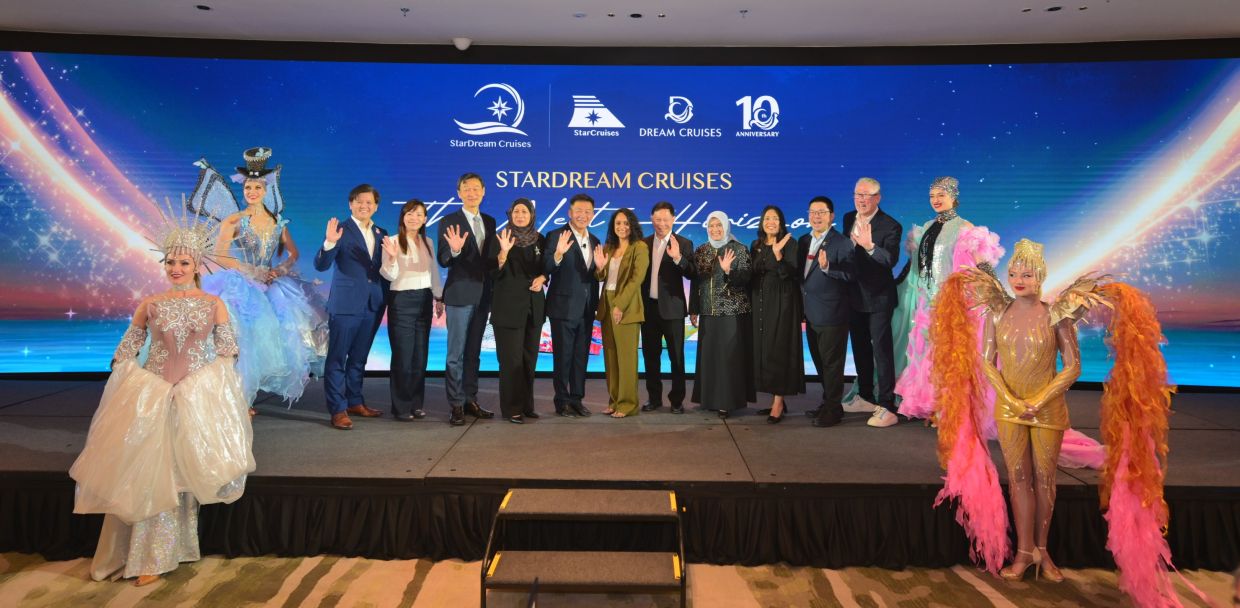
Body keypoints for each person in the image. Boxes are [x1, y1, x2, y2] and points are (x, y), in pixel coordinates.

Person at [932, 240, 1188, 608]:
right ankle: (1023, 552)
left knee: (1044, 478)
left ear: (1041, 276)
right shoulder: (997, 313)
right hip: (1009, 409)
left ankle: (1042, 550)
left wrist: (1039, 400)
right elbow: (987, 361)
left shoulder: (1056, 315)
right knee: (1018, 477)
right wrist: (1009, 399)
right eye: (1014, 273)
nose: (1019, 279)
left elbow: (1072, 366)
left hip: (1048, 410)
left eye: (1027, 274)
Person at [70, 211, 254, 587]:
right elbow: (128, 347)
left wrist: (201, 387)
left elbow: (228, 351)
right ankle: (142, 555)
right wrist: (127, 374)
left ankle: (165, 552)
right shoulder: (150, 303)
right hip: (152, 397)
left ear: (197, 265)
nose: (176, 268)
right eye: (170, 262)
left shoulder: (213, 303)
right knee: (147, 473)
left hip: (193, 398)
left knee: (178, 474)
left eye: (183, 262)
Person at [196, 148, 328, 414]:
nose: (252, 192)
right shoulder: (235, 220)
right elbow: (219, 255)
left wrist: (279, 270)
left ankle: (248, 393)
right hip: (242, 287)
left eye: (257, 187)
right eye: (248, 187)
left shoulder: (277, 221)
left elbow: (294, 254)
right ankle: (239, 399)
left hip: (272, 287)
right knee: (244, 340)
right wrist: (250, 270)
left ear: (266, 190)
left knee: (268, 342)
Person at [870, 176, 1003, 428]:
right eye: (932, 196)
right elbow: (913, 267)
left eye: (941, 195)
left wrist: (999, 292)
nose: (936, 200)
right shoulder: (927, 227)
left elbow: (982, 263)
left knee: (951, 355)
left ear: (953, 197)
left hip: (953, 303)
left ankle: (951, 408)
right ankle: (935, 407)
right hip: (926, 305)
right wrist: (894, 286)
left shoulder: (965, 227)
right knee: (928, 356)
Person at [314, 184, 389, 430]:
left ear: (376, 206)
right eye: (359, 201)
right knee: (337, 358)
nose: (364, 206)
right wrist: (329, 242)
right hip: (346, 304)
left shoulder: (381, 233)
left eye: (369, 202)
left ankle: (355, 401)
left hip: (373, 303)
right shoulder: (340, 230)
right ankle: (338, 409)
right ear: (351, 204)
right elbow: (321, 265)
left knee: (359, 357)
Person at [437, 173, 497, 426]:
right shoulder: (449, 220)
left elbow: (490, 261)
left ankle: (470, 399)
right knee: (456, 354)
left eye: (476, 188)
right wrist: (455, 249)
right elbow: (443, 259)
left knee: (473, 353)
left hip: (483, 296)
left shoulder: (490, 221)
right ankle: (456, 404)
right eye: (466, 189)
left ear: (483, 191)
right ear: (459, 193)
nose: (472, 193)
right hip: (460, 294)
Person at [840, 177, 902, 418]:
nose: (861, 199)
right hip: (853, 295)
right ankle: (865, 396)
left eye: (866, 195)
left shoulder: (891, 225)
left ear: (878, 198)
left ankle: (886, 404)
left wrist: (870, 247)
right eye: (857, 194)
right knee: (860, 349)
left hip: (878, 298)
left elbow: (890, 260)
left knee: (882, 352)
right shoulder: (848, 218)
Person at [380, 199, 444, 421]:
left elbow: (433, 272)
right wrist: (391, 257)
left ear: (425, 219)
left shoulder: (428, 242)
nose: (414, 218)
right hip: (402, 300)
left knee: (420, 356)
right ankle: (401, 407)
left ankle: (416, 404)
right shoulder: (392, 241)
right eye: (410, 213)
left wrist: (438, 297)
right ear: (403, 217)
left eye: (419, 214)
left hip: (424, 299)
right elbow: (388, 275)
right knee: (403, 356)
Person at [689, 211, 754, 418]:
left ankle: (727, 402)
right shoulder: (702, 250)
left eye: (719, 225)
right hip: (708, 311)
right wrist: (693, 308)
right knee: (710, 358)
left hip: (732, 312)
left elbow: (746, 279)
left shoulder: (739, 249)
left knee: (728, 358)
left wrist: (728, 271)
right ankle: (709, 400)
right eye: (711, 225)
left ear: (726, 226)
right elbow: (696, 281)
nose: (715, 229)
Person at [543, 193, 601, 417]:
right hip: (563, 308)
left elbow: (594, 275)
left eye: (587, 212)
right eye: (578, 211)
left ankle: (577, 399)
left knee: (580, 357)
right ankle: (562, 401)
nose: (582, 215)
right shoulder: (555, 235)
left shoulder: (595, 240)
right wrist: (558, 254)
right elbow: (546, 267)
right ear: (570, 212)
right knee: (563, 357)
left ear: (593, 215)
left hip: (587, 309)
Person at [799, 196, 854, 428]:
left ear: (831, 216)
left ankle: (833, 410)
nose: (816, 216)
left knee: (832, 365)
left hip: (833, 313)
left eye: (821, 212)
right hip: (810, 313)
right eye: (812, 212)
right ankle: (829, 403)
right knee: (821, 363)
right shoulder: (804, 240)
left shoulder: (842, 242)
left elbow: (851, 274)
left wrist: (828, 267)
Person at [490, 198, 547, 424]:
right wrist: (503, 254)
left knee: (529, 360)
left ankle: (526, 405)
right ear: (510, 214)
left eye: (524, 211)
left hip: (533, 307)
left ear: (531, 215)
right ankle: (511, 408)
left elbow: (545, 268)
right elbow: (492, 273)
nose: (520, 215)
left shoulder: (539, 239)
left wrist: (543, 277)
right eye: (516, 211)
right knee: (511, 361)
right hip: (508, 308)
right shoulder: (500, 237)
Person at [749, 205, 803, 423]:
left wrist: (779, 256)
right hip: (760, 302)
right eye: (767, 218)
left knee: (779, 348)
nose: (770, 222)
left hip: (782, 301)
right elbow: (753, 273)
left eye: (775, 218)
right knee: (765, 350)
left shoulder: (790, 243)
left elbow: (792, 274)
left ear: (781, 222)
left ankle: (779, 402)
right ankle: (775, 398)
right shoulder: (756, 245)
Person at [594, 208, 649, 418]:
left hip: (626, 306)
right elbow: (601, 277)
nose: (622, 227)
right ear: (613, 226)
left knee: (626, 358)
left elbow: (637, 279)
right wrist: (600, 268)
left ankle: (628, 405)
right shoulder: (609, 247)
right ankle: (614, 401)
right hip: (606, 304)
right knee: (610, 357)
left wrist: (620, 305)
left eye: (626, 223)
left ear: (632, 225)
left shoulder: (640, 247)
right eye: (618, 223)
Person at [640, 202, 695, 414]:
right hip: (648, 309)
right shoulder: (643, 244)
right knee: (650, 357)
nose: (661, 223)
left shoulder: (683, 243)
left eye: (665, 219)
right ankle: (654, 398)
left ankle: (677, 400)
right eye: (657, 219)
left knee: (677, 357)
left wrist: (678, 258)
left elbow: (692, 273)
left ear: (673, 219)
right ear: (651, 219)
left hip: (672, 309)